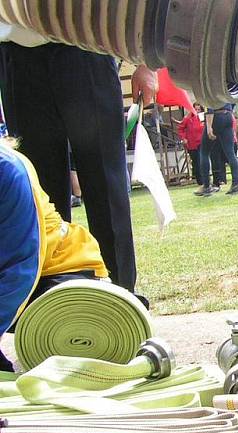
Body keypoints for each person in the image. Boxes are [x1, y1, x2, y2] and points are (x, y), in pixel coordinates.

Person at [0, 39, 154, 295]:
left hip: (86, 45)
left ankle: (123, 297)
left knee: (105, 187)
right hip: (17, 51)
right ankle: (49, 303)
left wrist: (148, 61)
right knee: (39, 200)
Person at [0, 141, 107, 371]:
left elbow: (21, 268)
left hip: (56, 268)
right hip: (14, 270)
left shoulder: (8, 170)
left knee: (71, 337)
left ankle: (108, 303)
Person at [195, 103, 238, 196]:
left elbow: (210, 105)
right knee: (230, 153)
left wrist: (209, 127)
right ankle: (236, 184)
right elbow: (233, 100)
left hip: (215, 116)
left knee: (204, 152)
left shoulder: (209, 87)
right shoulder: (224, 87)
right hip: (228, 115)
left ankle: (206, 186)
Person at [176, 102, 205, 185]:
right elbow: (180, 128)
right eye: (195, 109)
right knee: (196, 162)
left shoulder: (203, 117)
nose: (197, 111)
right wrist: (184, 138)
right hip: (192, 144)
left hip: (202, 142)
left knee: (201, 160)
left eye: (199, 109)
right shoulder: (188, 118)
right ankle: (200, 180)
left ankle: (203, 179)